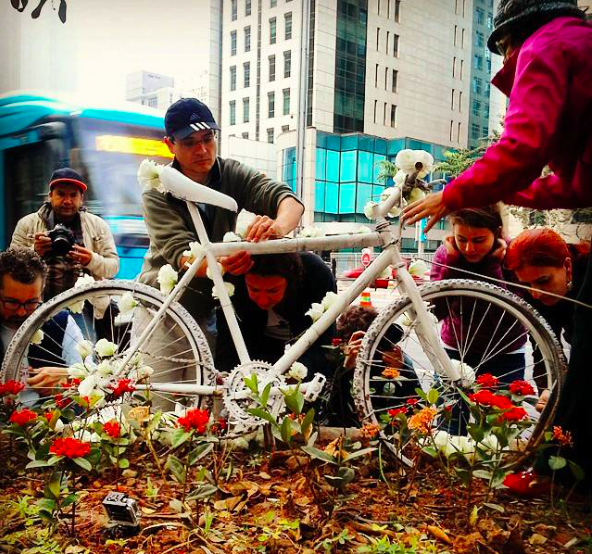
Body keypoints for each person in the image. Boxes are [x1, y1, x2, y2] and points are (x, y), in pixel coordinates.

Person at [403, 0, 592, 490]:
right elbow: (576, 186)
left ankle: (561, 474)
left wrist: (455, 192)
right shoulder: (575, 43)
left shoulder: (544, 45)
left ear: (509, 39)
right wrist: (505, 187)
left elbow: (522, 146)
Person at [139, 98, 304, 345]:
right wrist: (223, 264)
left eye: (208, 138)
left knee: (207, 380)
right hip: (162, 304)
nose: (202, 150)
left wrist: (276, 228)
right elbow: (181, 253)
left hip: (206, 305)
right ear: (169, 145)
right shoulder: (157, 189)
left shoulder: (230, 173)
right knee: (159, 383)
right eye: (189, 143)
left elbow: (286, 199)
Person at [430, 206, 527, 382]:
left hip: (505, 353)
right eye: (461, 239)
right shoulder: (445, 255)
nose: (469, 248)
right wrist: (452, 266)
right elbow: (436, 312)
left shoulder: (514, 254)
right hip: (455, 349)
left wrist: (492, 267)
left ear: (497, 233)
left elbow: (510, 318)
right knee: (447, 408)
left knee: (502, 409)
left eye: (479, 240)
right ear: (453, 233)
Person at [505, 228, 590, 411]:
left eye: (544, 281)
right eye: (526, 284)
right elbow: (544, 349)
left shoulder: (586, 272)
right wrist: (550, 389)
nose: (535, 293)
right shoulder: (535, 294)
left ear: (567, 266)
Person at [215, 252, 336, 377]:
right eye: (254, 289)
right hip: (254, 349)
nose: (263, 300)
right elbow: (227, 340)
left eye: (273, 291)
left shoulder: (316, 273)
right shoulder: (233, 277)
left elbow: (324, 343)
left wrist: (298, 375)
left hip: (303, 352)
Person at [11, 168, 120, 301]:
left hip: (87, 305)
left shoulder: (98, 226)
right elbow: (10, 270)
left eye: (73, 195)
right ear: (50, 196)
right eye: (61, 194)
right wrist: (34, 251)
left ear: (81, 199)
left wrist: (91, 260)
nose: (67, 201)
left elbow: (113, 267)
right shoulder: (27, 224)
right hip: (38, 306)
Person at [0, 249, 82, 397]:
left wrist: (67, 376)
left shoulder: (61, 323)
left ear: (41, 293)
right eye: (12, 302)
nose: (21, 312)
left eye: (31, 302)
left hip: (52, 417)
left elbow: (93, 375)